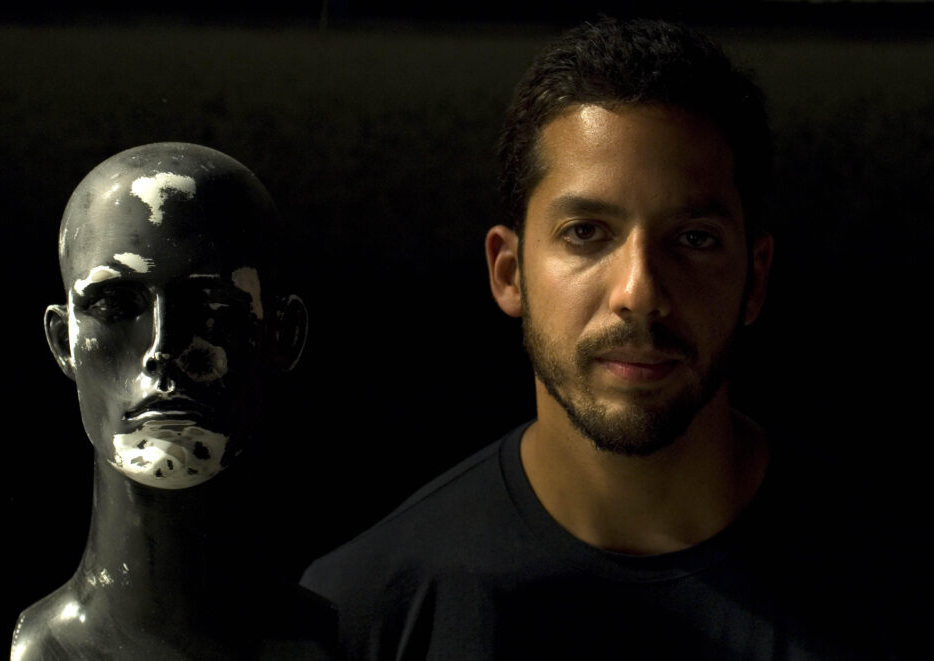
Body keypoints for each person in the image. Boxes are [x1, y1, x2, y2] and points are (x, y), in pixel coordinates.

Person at [301, 18, 901, 660]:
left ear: (755, 279)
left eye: (694, 238)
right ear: (509, 273)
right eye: (586, 232)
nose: (638, 292)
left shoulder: (900, 585)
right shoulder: (364, 615)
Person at [12, 142, 338, 660]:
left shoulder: (336, 639)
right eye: (116, 305)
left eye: (212, 306)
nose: (163, 350)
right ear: (63, 341)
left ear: (283, 335)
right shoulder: (39, 648)